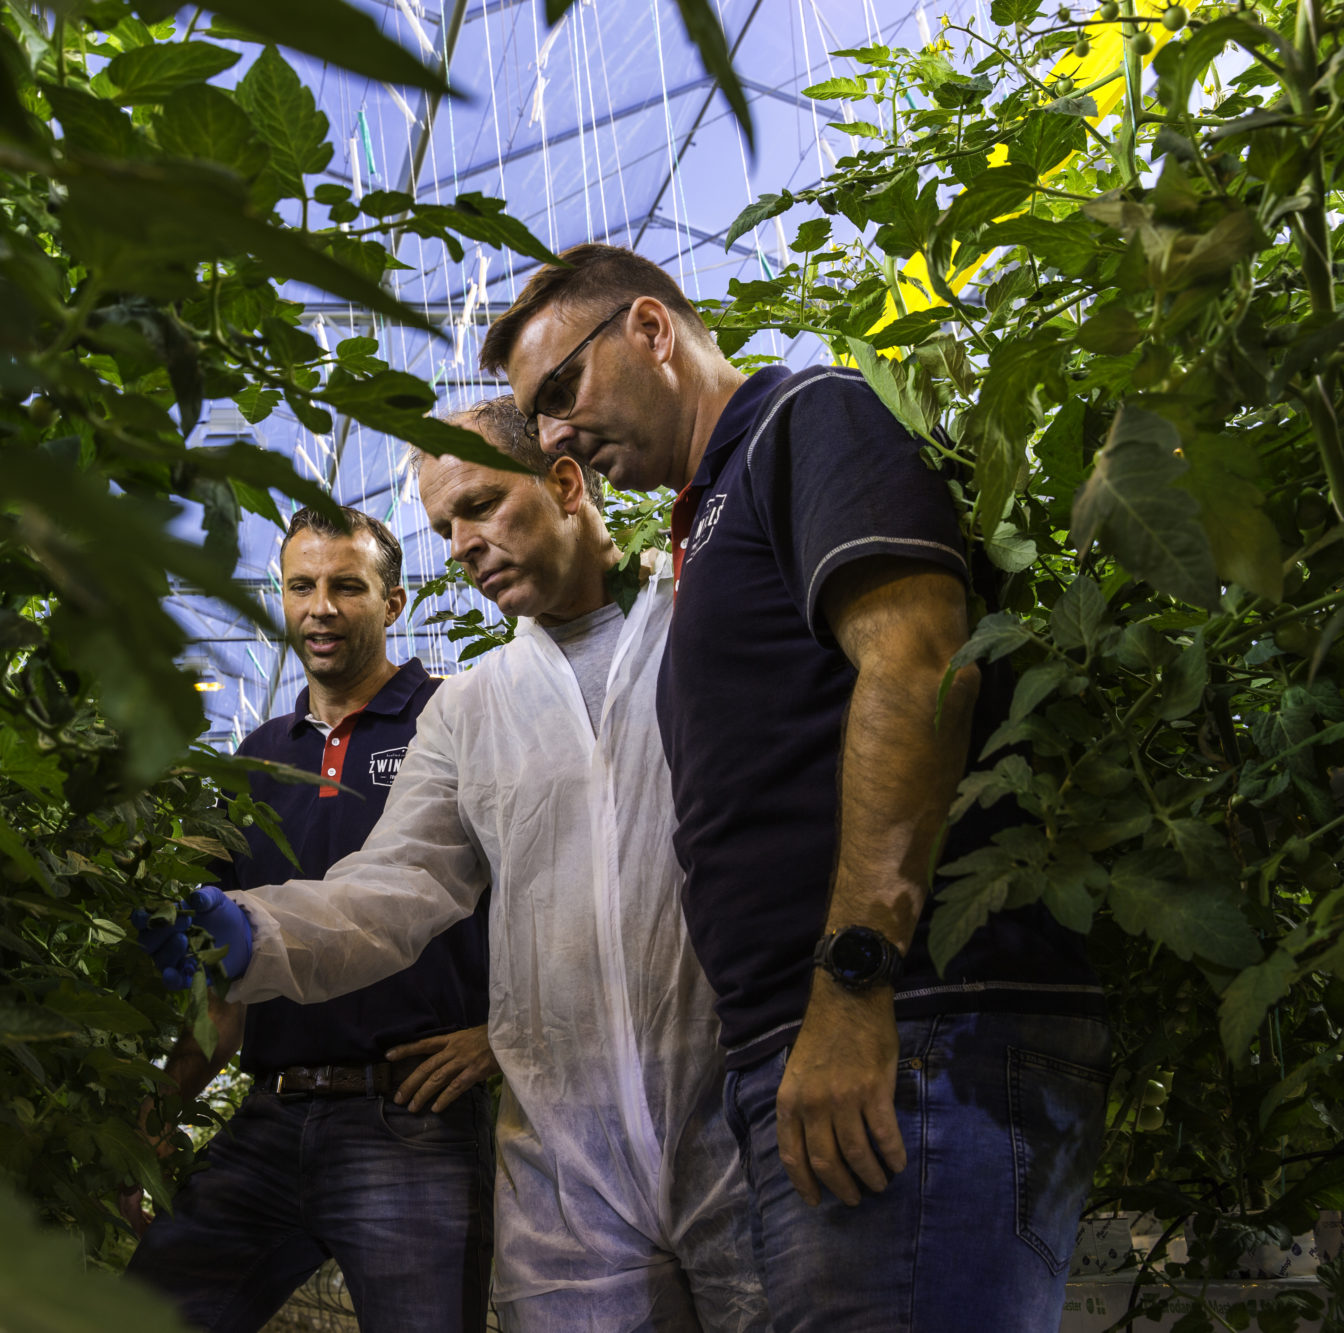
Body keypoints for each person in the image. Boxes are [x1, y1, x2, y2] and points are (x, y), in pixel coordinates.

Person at [480, 242, 1110, 1333]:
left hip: (913, 1040)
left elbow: (916, 662)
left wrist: (851, 988)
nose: (553, 438)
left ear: (648, 328)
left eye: (558, 391)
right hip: (841, 1052)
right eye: (534, 417)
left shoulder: (805, 417)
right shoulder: (712, 508)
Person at [141, 399, 766, 1333]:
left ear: (565, 482)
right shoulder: (473, 711)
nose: (465, 544)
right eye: (446, 526)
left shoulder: (702, 621)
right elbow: (398, 884)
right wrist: (255, 932)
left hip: (738, 1114)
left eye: (479, 505)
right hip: (569, 1161)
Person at [125, 504, 496, 1333]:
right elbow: (228, 971)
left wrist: (501, 1035)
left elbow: (546, 894)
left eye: (346, 586)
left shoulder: (456, 723)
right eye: (301, 586)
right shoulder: (257, 759)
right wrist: (152, 1118)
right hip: (272, 1113)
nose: (320, 606)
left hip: (412, 1117)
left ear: (394, 602)